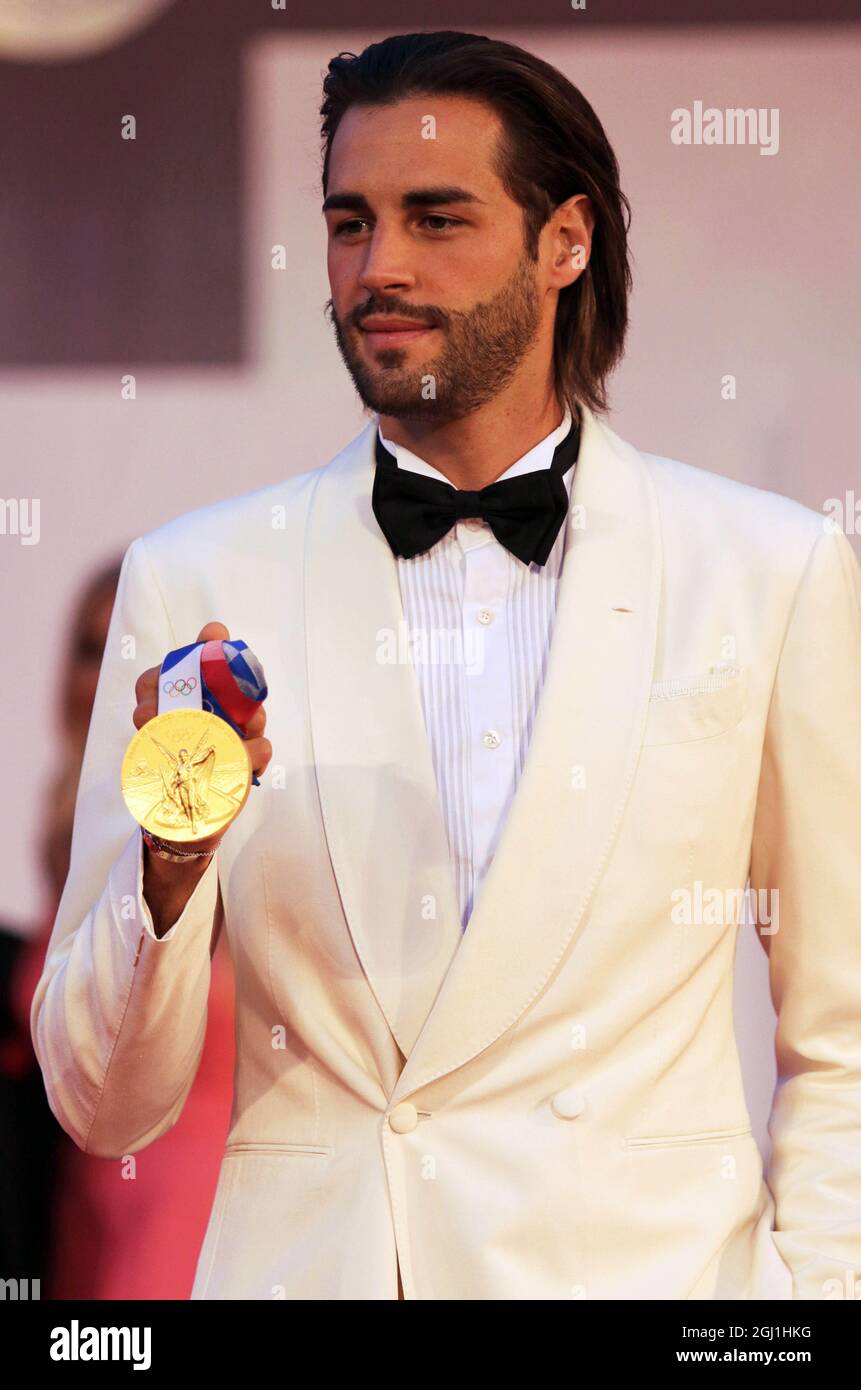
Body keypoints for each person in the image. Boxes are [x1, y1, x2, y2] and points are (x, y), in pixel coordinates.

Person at [30, 31, 861, 1300]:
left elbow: (844, 1031)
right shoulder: (195, 582)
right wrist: (172, 862)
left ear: (565, 241)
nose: (381, 269)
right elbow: (104, 1109)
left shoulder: (767, 569)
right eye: (350, 223)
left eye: (437, 218)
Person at [12, 559, 236, 1299]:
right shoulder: (60, 833)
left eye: (126, 657)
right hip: (81, 1215)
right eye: (88, 650)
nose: (102, 678)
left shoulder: (231, 818)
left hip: (198, 1220)